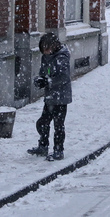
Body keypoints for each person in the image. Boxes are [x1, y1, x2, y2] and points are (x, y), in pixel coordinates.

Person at [28, 32, 73, 161]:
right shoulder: (46, 57)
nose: (45, 52)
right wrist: (40, 79)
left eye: (47, 49)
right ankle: (43, 145)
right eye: (44, 50)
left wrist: (48, 81)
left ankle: (58, 150)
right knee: (43, 122)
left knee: (58, 125)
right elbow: (44, 72)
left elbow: (63, 77)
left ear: (53, 46)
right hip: (50, 97)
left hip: (61, 97)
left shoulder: (62, 58)